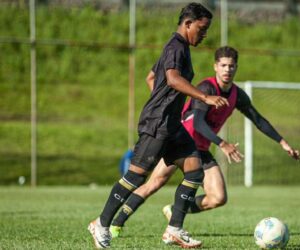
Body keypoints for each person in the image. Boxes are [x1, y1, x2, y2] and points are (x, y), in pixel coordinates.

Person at [110, 46, 300, 239]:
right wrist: (222, 143)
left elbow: (258, 120)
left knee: (218, 198)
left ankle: (174, 210)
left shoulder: (237, 95)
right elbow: (198, 124)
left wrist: (283, 143)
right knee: (154, 183)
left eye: (231, 66)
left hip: (200, 149)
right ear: (215, 67)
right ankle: (116, 223)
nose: (227, 70)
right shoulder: (206, 88)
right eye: (223, 65)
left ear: (236, 68)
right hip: (180, 143)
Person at [87, 3, 229, 248]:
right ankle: (101, 223)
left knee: (194, 171)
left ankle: (174, 229)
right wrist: (203, 97)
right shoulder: (176, 46)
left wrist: (163, 100)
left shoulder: (178, 48)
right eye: (202, 28)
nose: (204, 34)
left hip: (171, 124)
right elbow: (173, 79)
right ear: (187, 24)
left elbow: (152, 77)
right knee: (135, 178)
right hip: (158, 124)